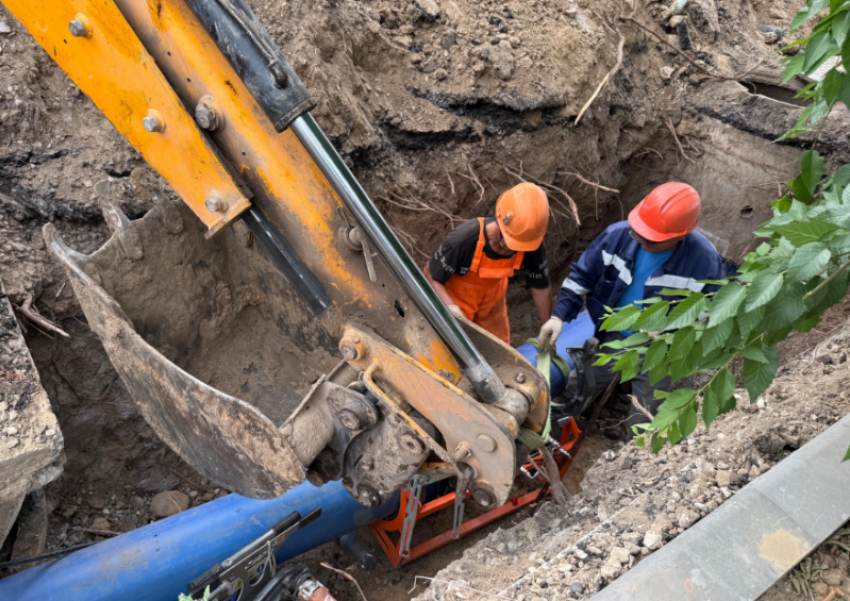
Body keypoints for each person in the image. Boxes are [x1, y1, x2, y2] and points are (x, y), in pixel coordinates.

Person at [537, 182, 725, 426]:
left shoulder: (704, 262)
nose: (643, 242)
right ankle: (558, 429)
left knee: (645, 419)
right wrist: (558, 316)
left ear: (681, 234)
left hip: (662, 352)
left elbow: (711, 313)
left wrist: (671, 331)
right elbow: (581, 278)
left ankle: (627, 459)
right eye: (639, 233)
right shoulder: (616, 237)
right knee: (575, 390)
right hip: (614, 337)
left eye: (653, 240)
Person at [424, 183, 553, 344]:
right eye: (511, 241)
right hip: (458, 299)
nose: (512, 248)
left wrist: (548, 326)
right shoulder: (465, 238)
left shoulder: (531, 242)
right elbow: (430, 274)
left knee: (499, 348)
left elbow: (540, 288)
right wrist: (450, 308)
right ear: (501, 218)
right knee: (454, 346)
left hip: (493, 300)